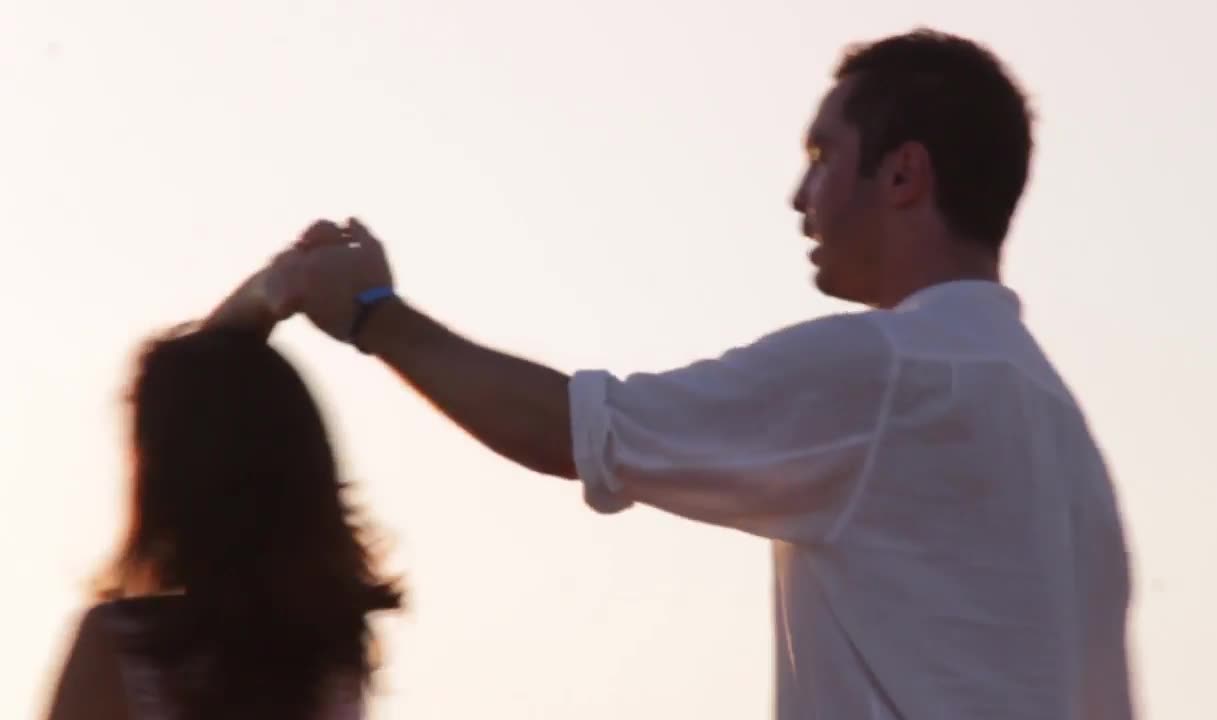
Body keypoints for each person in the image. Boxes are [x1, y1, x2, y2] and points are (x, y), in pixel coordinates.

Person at [252, 28, 1132, 720]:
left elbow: (572, 431)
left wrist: (372, 316)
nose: (800, 195)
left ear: (903, 174)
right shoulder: (1069, 446)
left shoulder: (884, 375)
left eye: (823, 156)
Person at [43, 271, 403, 720]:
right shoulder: (330, 655)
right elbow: (219, 396)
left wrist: (261, 293)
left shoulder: (123, 647)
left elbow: (202, 394)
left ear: (165, 479)